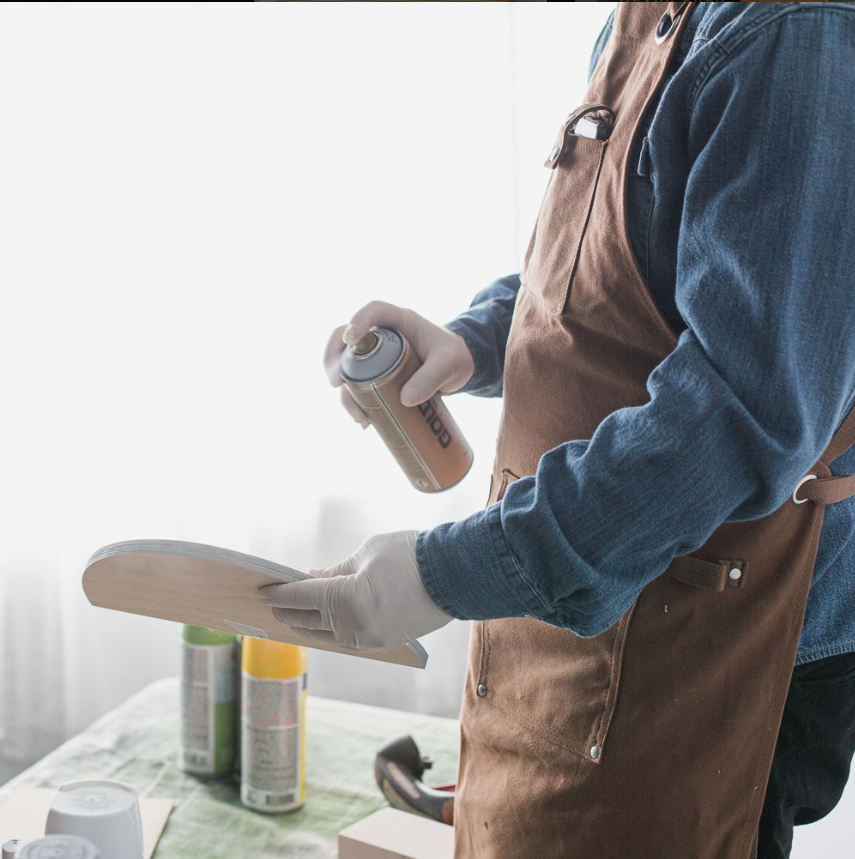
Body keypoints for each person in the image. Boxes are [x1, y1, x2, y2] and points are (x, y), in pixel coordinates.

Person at [258, 3, 855, 856]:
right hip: (582, 610)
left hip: (712, 633)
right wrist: (469, 341)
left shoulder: (797, 33)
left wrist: (443, 574)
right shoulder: (653, 16)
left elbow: (736, 413)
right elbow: (621, 271)